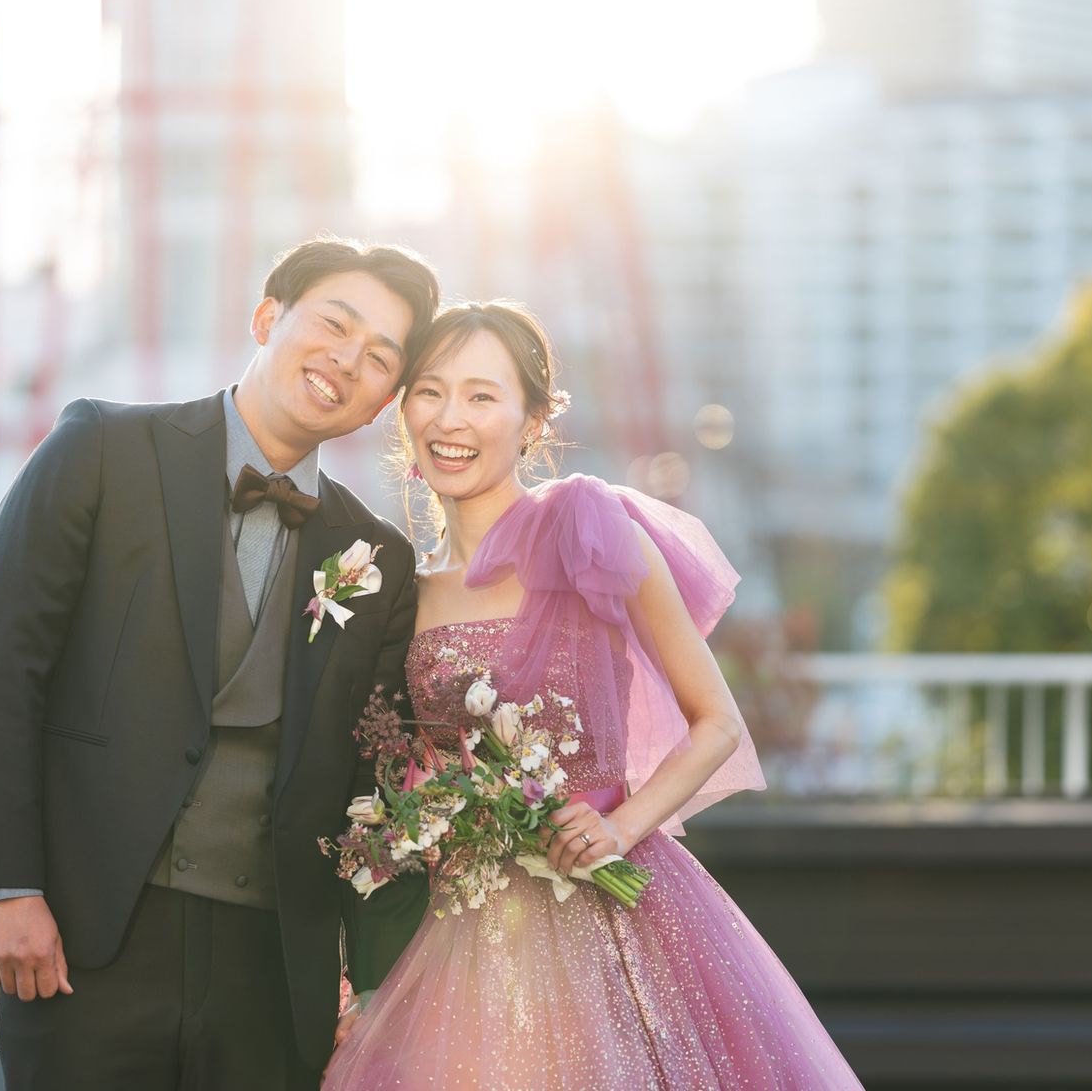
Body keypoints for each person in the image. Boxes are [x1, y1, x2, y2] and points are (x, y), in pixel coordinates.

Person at [322, 301, 864, 1090]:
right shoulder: (406, 589)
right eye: (430, 391)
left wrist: (619, 827)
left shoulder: (585, 532)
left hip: (616, 921)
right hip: (463, 933)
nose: (451, 418)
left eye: (482, 395)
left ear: (532, 422)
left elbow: (716, 723)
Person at [0, 236, 441, 1090]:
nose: (347, 361)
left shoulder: (380, 557)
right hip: (81, 939)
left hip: (271, 971)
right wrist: (3, 887)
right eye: (334, 325)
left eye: (378, 359)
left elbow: (374, 777)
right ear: (266, 317)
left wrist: (374, 979)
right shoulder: (101, 447)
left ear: (381, 405)